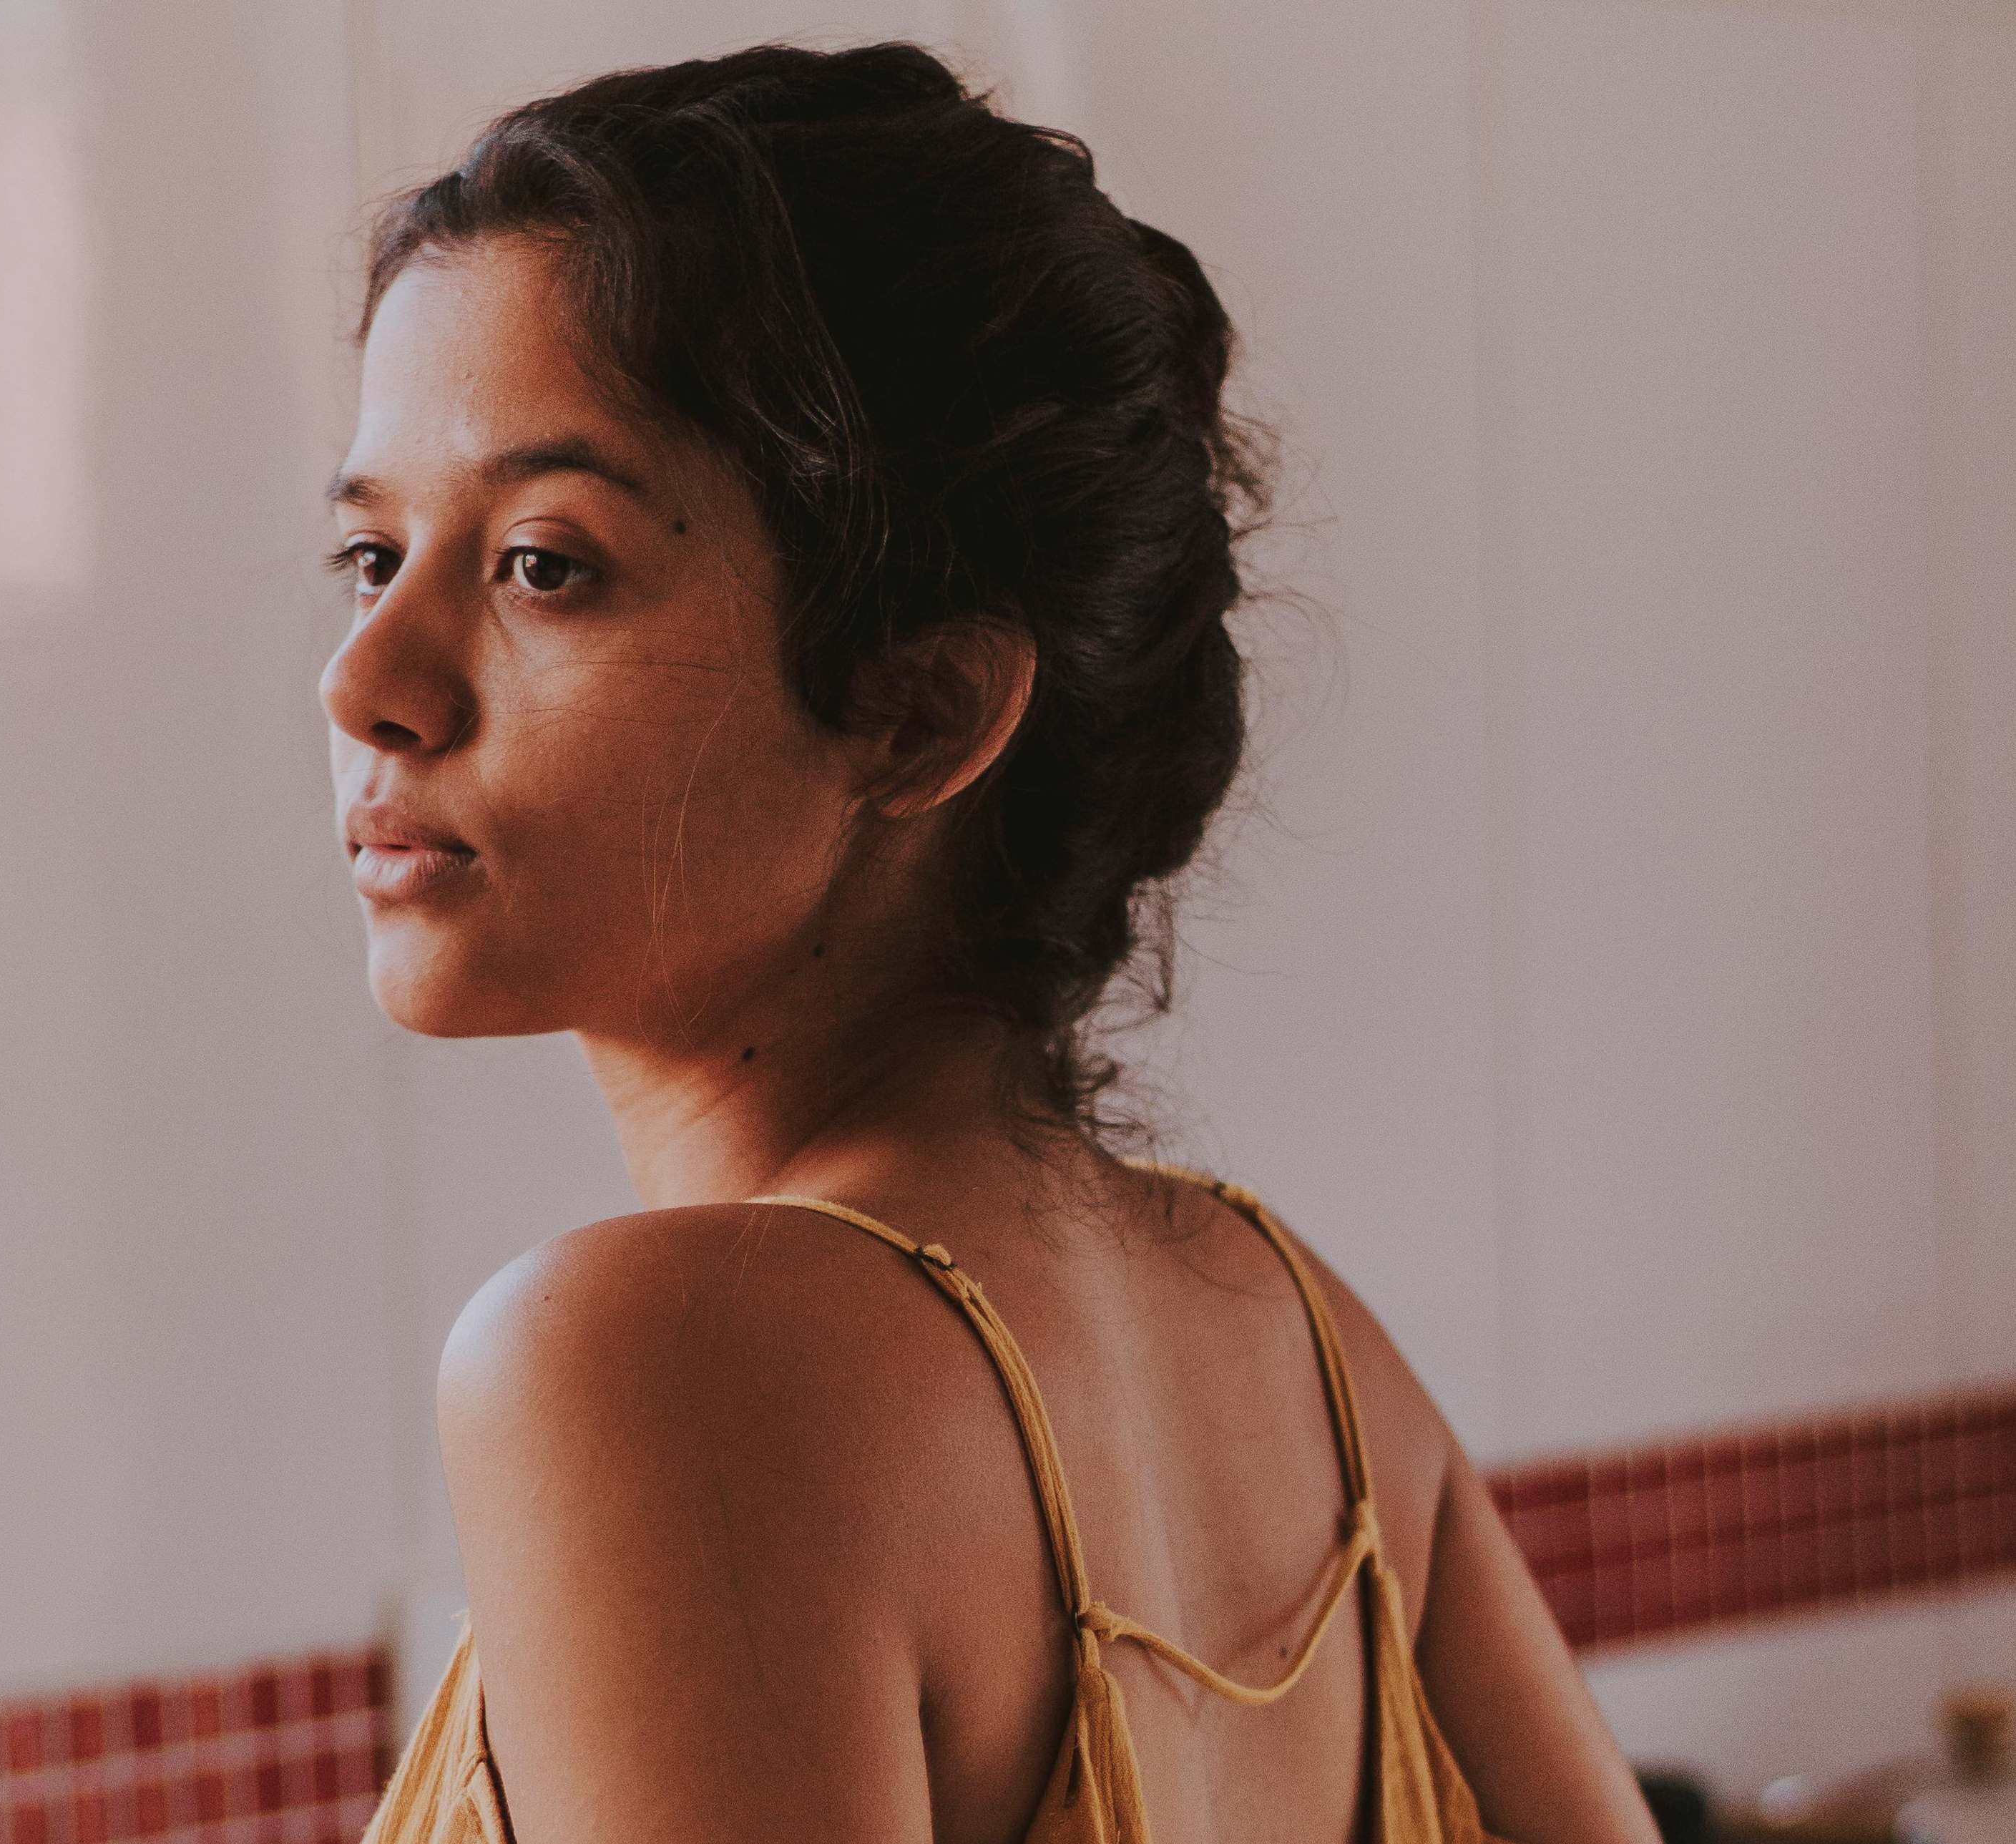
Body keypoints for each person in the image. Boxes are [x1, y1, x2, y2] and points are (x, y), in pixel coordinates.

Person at [321, 39, 1655, 1844]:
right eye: (370, 554)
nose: (370, 684)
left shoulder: (649, 1362)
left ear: (916, 713)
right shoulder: (1304, 1347)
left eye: (544, 562)